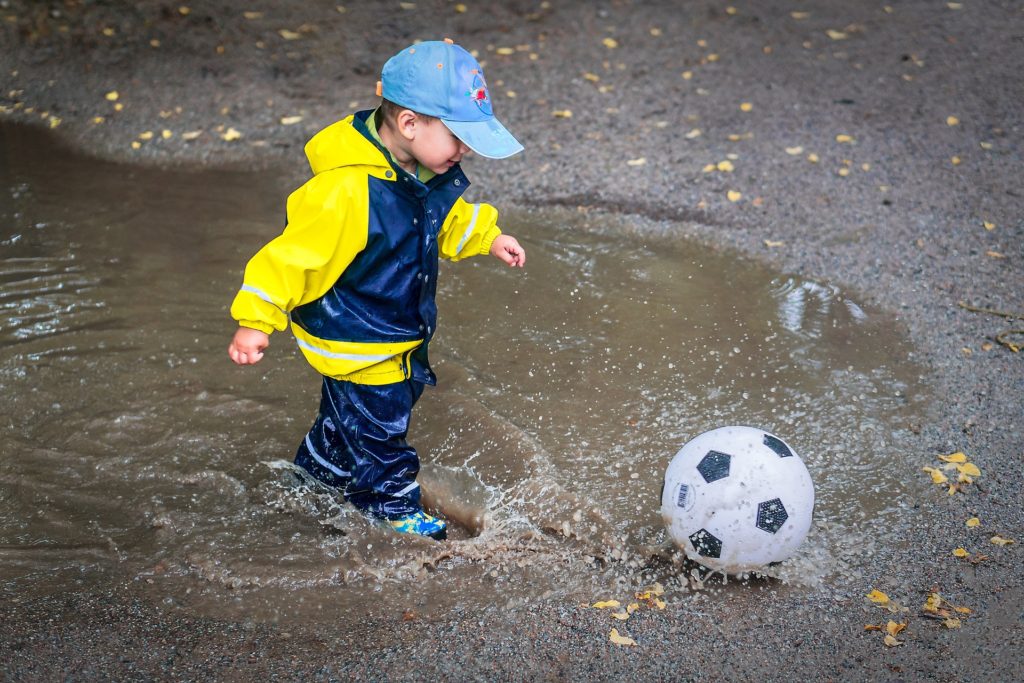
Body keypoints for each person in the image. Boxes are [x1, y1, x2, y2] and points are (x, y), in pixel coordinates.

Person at [227, 39, 525, 541]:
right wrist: (255, 321)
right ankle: (389, 508)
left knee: (345, 420)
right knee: (384, 433)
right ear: (409, 124)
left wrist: (489, 237)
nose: (466, 150)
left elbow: (441, 222)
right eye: (458, 136)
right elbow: (291, 256)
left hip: (385, 330)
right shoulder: (345, 190)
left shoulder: (419, 172)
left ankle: (313, 479)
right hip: (362, 337)